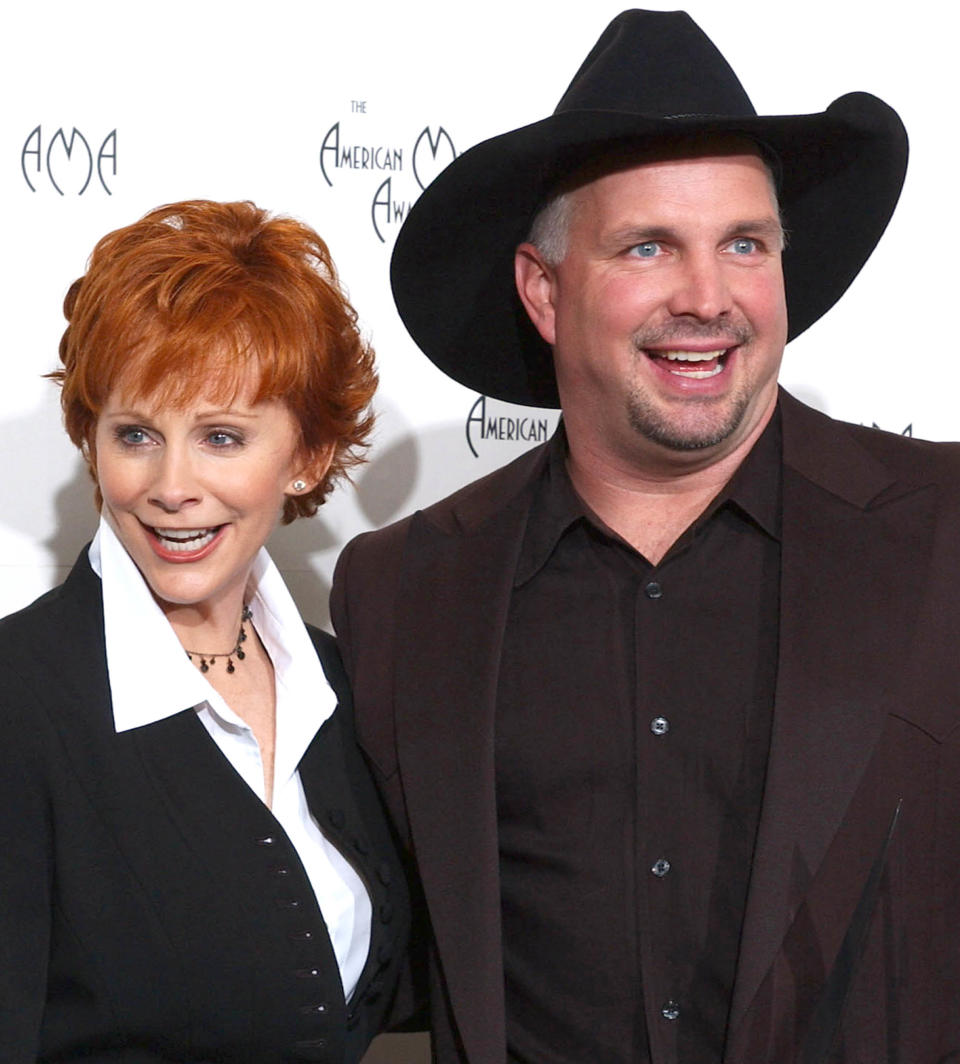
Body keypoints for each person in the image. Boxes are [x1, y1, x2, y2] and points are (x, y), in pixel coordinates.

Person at [330, 10, 960, 1064]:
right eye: (649, 245)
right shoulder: (401, 589)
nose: (707, 298)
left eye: (744, 244)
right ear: (544, 288)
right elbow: (354, 945)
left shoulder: (945, 530)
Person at [0, 200, 409, 1063]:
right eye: (137, 434)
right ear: (91, 441)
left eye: (222, 436)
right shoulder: (19, 700)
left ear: (307, 455)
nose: (170, 484)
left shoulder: (343, 685)